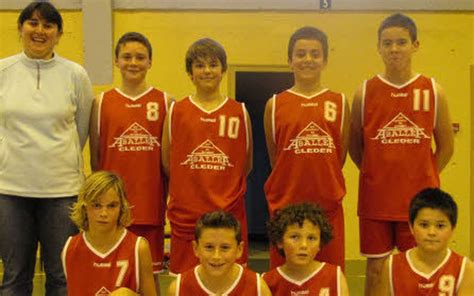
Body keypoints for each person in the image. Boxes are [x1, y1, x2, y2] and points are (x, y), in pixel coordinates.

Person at [349, 13, 454, 295]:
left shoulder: (433, 90)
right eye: (387, 43)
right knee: (376, 269)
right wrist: (376, 173)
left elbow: (446, 147)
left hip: (418, 201)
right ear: (379, 47)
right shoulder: (364, 91)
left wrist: (424, 174)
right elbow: (355, 147)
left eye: (401, 42)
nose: (394, 49)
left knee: (416, 269)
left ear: (415, 45)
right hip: (375, 201)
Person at [0, 2, 93, 294]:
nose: (40, 31)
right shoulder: (2, 70)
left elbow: (81, 129)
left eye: (48, 25)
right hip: (10, 191)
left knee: (62, 276)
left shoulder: (76, 75)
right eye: (33, 23)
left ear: (59, 33)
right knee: (15, 277)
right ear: (21, 28)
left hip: (61, 192)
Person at [162, 38, 253, 274]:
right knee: (186, 285)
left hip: (228, 216)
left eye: (213, 64)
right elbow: (167, 163)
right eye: (199, 65)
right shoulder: (176, 111)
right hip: (187, 218)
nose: (207, 70)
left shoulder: (239, 112)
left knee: (229, 284)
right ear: (190, 73)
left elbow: (246, 164)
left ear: (223, 70)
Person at [264, 26, 349, 269]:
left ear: (325, 60)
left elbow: (338, 158)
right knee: (285, 281)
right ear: (290, 60)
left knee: (328, 279)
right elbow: (276, 158)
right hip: (286, 208)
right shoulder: (275, 104)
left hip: (327, 209)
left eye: (315, 54)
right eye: (301, 54)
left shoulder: (339, 102)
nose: (308, 59)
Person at [89, 32, 170, 282]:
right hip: (112, 209)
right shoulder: (101, 102)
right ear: (116, 61)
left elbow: (169, 163)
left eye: (140, 57)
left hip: (150, 206)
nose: (133, 62)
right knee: (112, 278)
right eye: (126, 57)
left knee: (150, 278)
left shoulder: (166, 101)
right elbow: (96, 159)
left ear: (150, 62)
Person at [62, 171, 157, 296]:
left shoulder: (138, 247)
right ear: (84, 207)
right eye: (96, 205)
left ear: (121, 207)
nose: (104, 213)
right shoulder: (71, 248)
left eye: (112, 206)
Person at [378, 188, 473, 295]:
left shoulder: (465, 268)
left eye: (440, 226)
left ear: (453, 228)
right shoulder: (391, 266)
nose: (431, 232)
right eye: (424, 225)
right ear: (411, 227)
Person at [166, 210, 271, 295]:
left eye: (225, 248)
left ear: (239, 249)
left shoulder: (258, 289)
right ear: (196, 248)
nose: (216, 256)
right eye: (209, 247)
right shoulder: (178, 290)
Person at [263, 202, 349, 295]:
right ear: (280, 241)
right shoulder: (267, 282)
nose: (304, 245)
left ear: (320, 243)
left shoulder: (335, 277)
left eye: (311, 238)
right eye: (295, 237)